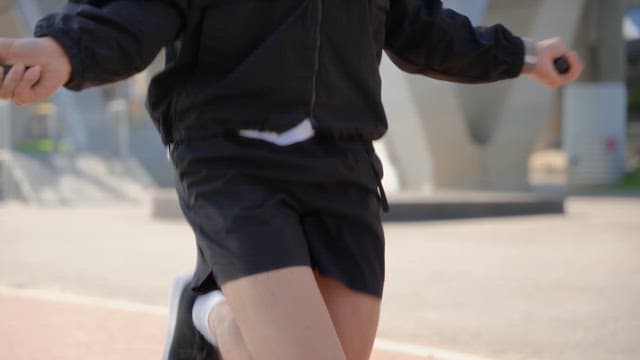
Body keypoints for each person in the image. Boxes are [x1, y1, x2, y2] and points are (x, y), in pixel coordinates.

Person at [0, 1, 583, 359]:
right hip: (232, 159)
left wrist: (526, 55)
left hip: (344, 164)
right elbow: (135, 8)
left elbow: (423, 29)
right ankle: (214, 310)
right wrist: (65, 48)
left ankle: (208, 316)